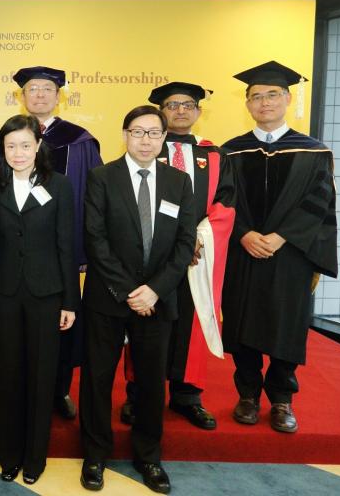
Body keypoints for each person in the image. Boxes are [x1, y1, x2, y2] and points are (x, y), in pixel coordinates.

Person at [79, 105, 196, 494]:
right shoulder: (101, 178)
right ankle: (95, 455)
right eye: (138, 132)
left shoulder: (179, 181)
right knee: (97, 379)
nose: (145, 140)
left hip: (157, 300)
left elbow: (184, 243)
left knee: (150, 383)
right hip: (109, 298)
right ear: (125, 134)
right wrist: (130, 291)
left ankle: (149, 456)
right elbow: (95, 241)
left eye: (153, 133)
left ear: (164, 138)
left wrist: (156, 290)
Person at [222, 61, 338, 434]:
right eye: (257, 96)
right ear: (247, 104)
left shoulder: (313, 152)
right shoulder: (231, 152)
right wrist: (243, 233)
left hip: (290, 254)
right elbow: (222, 201)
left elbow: (319, 202)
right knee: (242, 322)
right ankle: (248, 395)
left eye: (273, 95)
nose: (265, 102)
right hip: (244, 251)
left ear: (287, 99)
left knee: (287, 324)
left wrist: (281, 236)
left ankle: (283, 399)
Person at [120, 82, 236, 430]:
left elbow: (226, 203)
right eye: (173, 105)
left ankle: (187, 395)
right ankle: (137, 392)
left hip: (199, 256)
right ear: (160, 111)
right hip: (154, 257)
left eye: (188, 105)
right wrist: (172, 243)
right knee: (147, 318)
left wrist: (196, 239)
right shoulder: (148, 148)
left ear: (199, 111)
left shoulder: (214, 155)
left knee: (192, 320)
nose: (181, 110)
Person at [0, 115, 77, 485]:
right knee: (8, 376)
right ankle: (9, 455)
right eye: (10, 146)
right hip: (4, 294)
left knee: (41, 377)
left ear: (38, 146)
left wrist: (70, 301)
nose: (18, 153)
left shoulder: (61, 186)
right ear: (2, 150)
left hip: (47, 295)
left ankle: (35, 458)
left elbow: (67, 245)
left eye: (24, 145)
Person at [16, 65, 102, 420]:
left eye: (46, 89)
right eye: (32, 89)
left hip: (62, 248)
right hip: (21, 250)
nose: (39, 94)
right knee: (19, 323)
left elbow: (93, 197)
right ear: (23, 96)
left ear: (57, 95)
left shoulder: (79, 141)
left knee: (63, 319)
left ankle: (59, 389)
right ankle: (21, 388)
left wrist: (83, 246)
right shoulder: (10, 137)